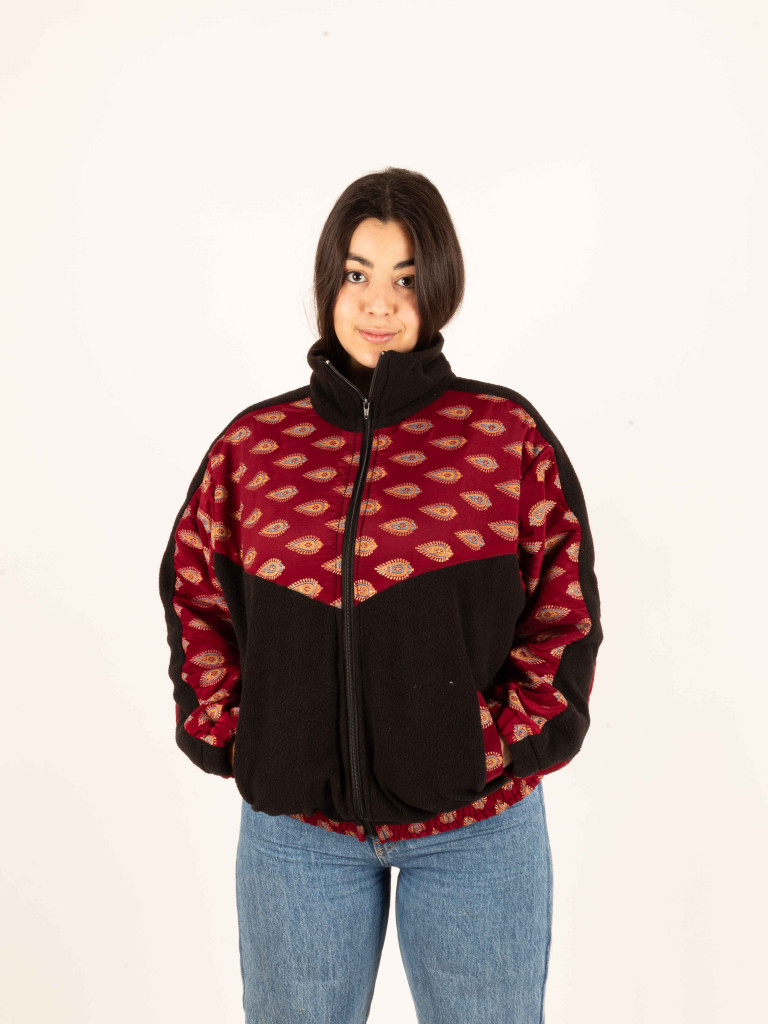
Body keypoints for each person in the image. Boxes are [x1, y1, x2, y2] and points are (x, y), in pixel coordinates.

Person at [158, 166, 603, 1023]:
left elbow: (564, 609)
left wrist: (490, 745)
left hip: (476, 828)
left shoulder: (501, 435)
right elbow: (196, 595)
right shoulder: (254, 446)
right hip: (300, 836)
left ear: (438, 289)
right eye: (359, 274)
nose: (379, 304)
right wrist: (245, 736)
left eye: (405, 279)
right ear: (330, 280)